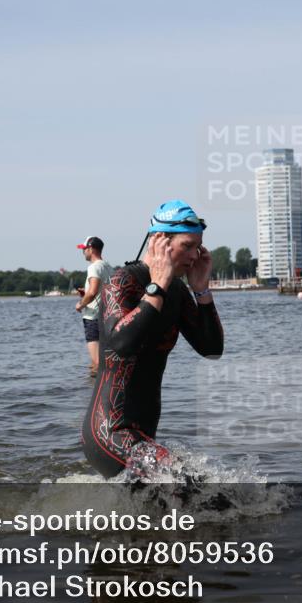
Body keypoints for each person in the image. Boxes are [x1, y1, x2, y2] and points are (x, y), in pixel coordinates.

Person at [81, 200, 224, 479]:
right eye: (187, 246)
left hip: (143, 433)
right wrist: (157, 287)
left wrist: (201, 291)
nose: (194, 255)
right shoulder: (121, 282)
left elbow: (212, 349)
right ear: (159, 240)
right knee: (191, 485)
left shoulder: (178, 293)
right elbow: (121, 345)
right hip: (109, 431)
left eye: (198, 247)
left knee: (203, 495)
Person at [74, 236, 114, 377]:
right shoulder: (108, 267)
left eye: (84, 249)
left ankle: (97, 388)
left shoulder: (94, 267)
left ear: (91, 249)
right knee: (100, 360)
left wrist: (80, 304)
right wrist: (85, 293)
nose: (83, 252)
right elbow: (101, 290)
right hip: (107, 317)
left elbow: (92, 292)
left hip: (93, 318)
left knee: (97, 363)